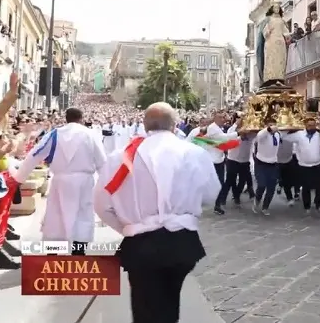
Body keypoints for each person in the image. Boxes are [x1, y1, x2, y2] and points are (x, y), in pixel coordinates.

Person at [94, 102, 220, 323]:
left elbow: (101, 204)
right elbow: (211, 193)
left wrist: (127, 227)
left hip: (141, 242)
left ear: (144, 125)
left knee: (145, 305)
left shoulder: (119, 156)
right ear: (174, 125)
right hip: (182, 240)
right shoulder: (194, 152)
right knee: (169, 300)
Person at [13, 108, 107, 255]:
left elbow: (35, 155)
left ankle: (53, 254)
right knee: (82, 216)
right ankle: (78, 254)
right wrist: (107, 186)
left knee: (56, 217)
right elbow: (102, 162)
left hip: (60, 182)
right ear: (81, 118)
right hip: (84, 182)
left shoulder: (55, 134)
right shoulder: (91, 134)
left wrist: (19, 178)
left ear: (66, 118)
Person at [285, 117, 320, 215]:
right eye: (309, 125)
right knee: (306, 187)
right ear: (305, 126)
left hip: (318, 165)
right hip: (304, 166)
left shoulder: (319, 135)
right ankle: (307, 207)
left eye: (313, 125)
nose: (312, 127)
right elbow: (285, 137)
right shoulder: (299, 135)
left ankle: (318, 204)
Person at [252, 118, 281, 215]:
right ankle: (257, 200)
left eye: (274, 125)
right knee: (261, 185)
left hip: (273, 164)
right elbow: (260, 135)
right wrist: (269, 129)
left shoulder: (278, 134)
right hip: (261, 163)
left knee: (271, 188)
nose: (273, 127)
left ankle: (265, 207)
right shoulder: (262, 135)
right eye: (270, 125)